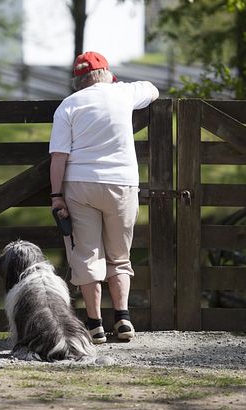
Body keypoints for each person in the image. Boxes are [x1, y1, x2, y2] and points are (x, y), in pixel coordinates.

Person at [49, 51, 159, 344]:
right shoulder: (122, 93)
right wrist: (118, 84)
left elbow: (59, 156)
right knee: (119, 255)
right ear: (107, 74)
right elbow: (152, 89)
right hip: (121, 183)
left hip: (80, 184)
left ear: (78, 81)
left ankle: (95, 324)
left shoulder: (68, 105)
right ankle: (123, 318)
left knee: (87, 253)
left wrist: (56, 195)